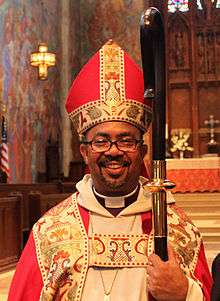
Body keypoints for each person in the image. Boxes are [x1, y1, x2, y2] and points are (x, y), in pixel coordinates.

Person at [8, 40, 212, 301]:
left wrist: (185, 293)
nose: (113, 151)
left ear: (143, 151)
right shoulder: (50, 232)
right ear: (84, 151)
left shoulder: (177, 231)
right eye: (101, 141)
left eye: (126, 140)